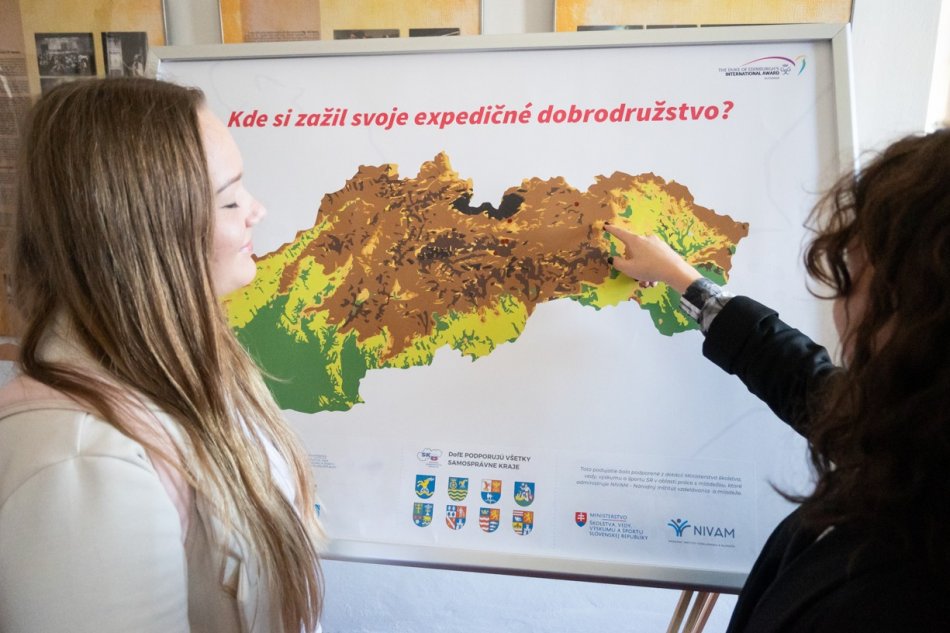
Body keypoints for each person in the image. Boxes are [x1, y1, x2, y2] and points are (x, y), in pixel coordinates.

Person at [0, 78, 324, 632]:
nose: (257, 210)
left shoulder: (187, 375)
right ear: (147, 234)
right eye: (229, 199)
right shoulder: (83, 463)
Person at [605, 128, 950, 631]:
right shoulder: (912, 437)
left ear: (919, 308)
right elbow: (806, 382)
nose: (838, 309)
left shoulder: (899, 589)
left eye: (851, 276)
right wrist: (685, 280)